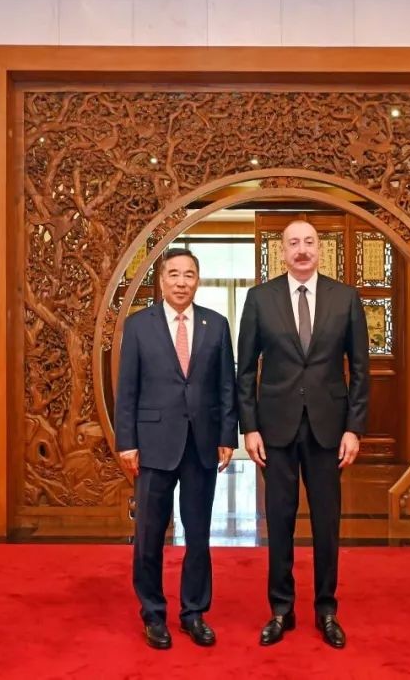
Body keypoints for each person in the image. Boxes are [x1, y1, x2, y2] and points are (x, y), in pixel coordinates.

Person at [236, 220, 369, 649]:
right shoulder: (260, 299)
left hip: (329, 429)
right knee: (279, 521)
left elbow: (360, 370)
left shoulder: (345, 298)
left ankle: (326, 609)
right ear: (282, 252)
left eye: (309, 242)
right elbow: (244, 371)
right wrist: (249, 427)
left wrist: (354, 428)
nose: (302, 250)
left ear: (320, 249)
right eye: (293, 243)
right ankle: (281, 609)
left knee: (327, 524)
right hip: (275, 428)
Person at [115, 247, 238, 650]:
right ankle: (153, 614)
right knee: (149, 534)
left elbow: (226, 385)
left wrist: (227, 435)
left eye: (189, 275)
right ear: (161, 279)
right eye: (174, 274)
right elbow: (127, 389)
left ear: (197, 280)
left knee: (199, 534)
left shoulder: (215, 325)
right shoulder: (138, 326)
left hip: (202, 443)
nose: (181, 282)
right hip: (153, 444)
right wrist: (127, 442)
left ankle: (194, 612)